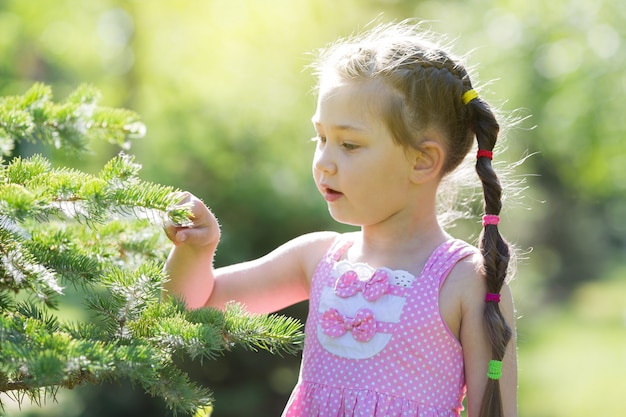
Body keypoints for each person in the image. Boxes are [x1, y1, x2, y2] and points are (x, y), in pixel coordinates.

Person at [163, 20, 518, 417]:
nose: (324, 163)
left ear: (423, 160)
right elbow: (194, 306)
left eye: (349, 144)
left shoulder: (467, 279)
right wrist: (195, 251)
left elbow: (496, 411)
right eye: (321, 138)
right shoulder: (317, 259)